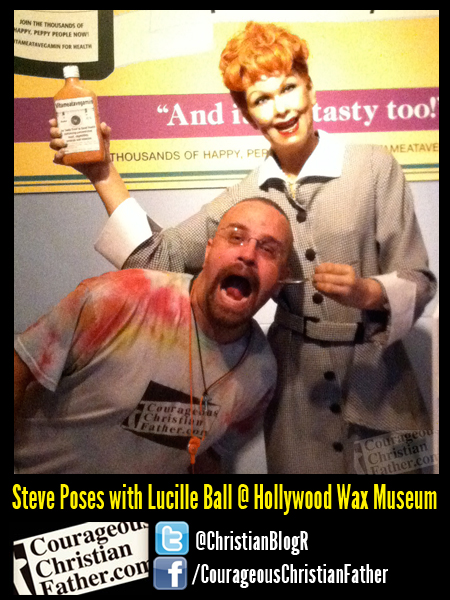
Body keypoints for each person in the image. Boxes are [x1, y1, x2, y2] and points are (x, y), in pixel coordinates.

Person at [49, 22, 437, 473]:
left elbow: (420, 281)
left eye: (289, 88)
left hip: (380, 385)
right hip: (297, 394)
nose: (282, 109)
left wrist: (368, 293)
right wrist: (102, 173)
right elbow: (156, 259)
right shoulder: (243, 201)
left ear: (310, 89)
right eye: (262, 99)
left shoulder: (374, 169)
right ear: (249, 115)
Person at [14, 197, 293, 474]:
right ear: (208, 251)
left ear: (281, 278)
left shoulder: (260, 374)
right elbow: (19, 366)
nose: (248, 255)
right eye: (236, 237)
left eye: (268, 249)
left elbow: (206, 457)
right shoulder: (118, 298)